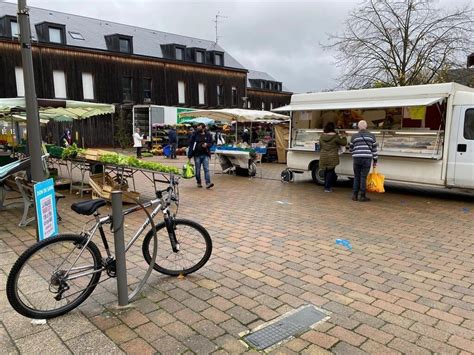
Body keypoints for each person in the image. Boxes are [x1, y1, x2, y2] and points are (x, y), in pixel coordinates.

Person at [349, 120, 378, 202]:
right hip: (367, 158)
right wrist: (375, 160)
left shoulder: (354, 136)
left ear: (358, 127)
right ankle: (362, 196)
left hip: (357, 158)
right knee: (363, 177)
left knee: (356, 176)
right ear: (366, 126)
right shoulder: (372, 136)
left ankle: (354, 195)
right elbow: (374, 149)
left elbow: (351, 149)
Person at [319, 122, 347, 192]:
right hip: (332, 156)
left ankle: (326, 186)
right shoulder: (335, 137)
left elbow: (320, 145)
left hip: (323, 155)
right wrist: (344, 136)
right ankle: (328, 188)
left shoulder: (321, 136)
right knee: (330, 171)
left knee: (326, 171)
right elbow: (343, 143)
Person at [188, 123, 214, 189]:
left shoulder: (208, 135)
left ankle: (208, 183)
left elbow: (211, 143)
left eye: (199, 128)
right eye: (197, 127)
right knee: (198, 170)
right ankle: (199, 182)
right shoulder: (194, 135)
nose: (198, 129)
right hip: (197, 155)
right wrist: (189, 156)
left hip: (205, 154)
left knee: (206, 169)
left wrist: (207, 145)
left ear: (203, 128)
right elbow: (191, 145)